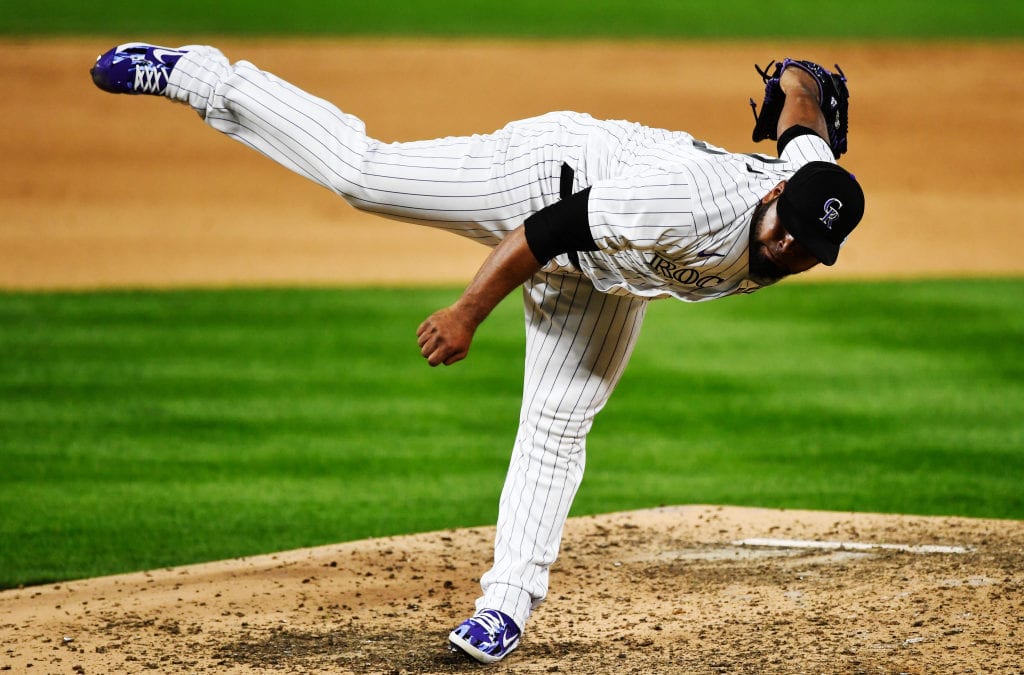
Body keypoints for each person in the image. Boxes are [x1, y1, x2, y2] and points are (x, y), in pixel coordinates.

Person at [90, 42, 864, 664]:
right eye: (789, 227)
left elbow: (804, 118)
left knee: (558, 424)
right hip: (543, 184)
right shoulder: (689, 202)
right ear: (769, 197)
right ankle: (197, 76)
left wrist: (800, 74)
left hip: (607, 273)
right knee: (366, 174)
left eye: (810, 245)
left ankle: (504, 606)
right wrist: (466, 313)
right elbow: (546, 232)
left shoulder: (806, 186)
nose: (792, 244)